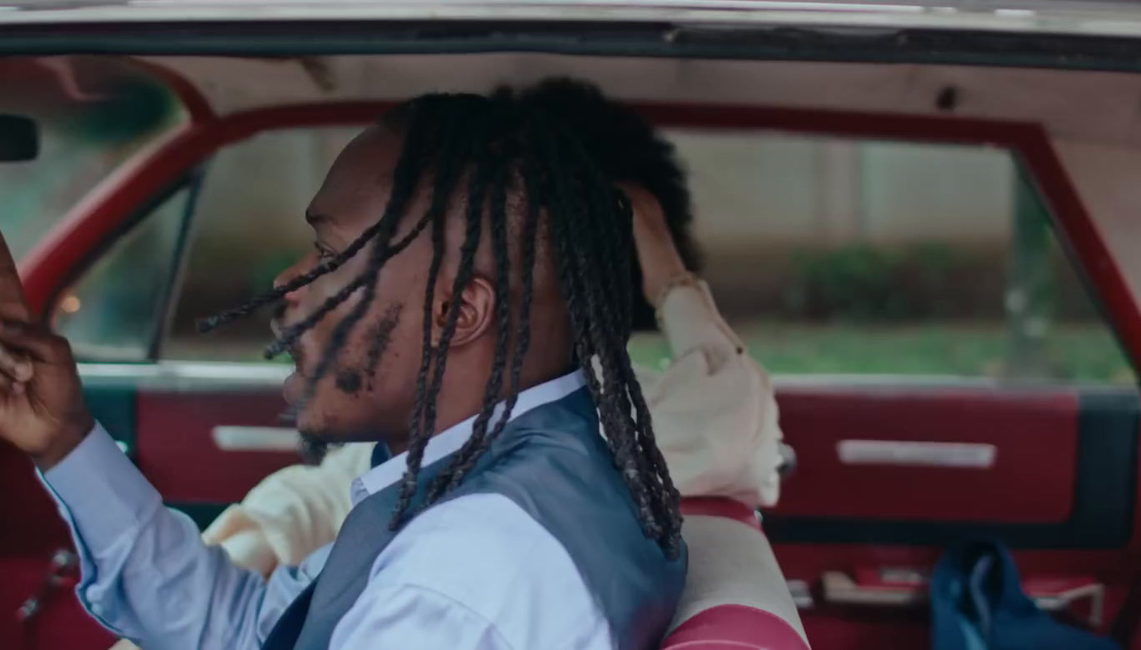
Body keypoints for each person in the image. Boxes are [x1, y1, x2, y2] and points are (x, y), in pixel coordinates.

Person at [0, 87, 704, 650]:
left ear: (458, 313)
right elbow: (248, 631)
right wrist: (69, 439)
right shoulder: (510, 470)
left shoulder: (455, 580)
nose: (287, 282)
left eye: (332, 254)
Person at [189, 81, 784, 578]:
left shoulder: (607, 435)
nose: (294, 282)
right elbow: (320, 497)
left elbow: (732, 421)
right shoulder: (446, 428)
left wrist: (659, 257)